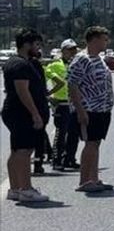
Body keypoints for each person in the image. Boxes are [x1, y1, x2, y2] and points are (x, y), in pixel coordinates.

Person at [3, 29, 50, 203]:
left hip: (17, 112)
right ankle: (26, 189)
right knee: (24, 151)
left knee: (17, 150)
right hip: (21, 113)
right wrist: (35, 114)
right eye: (36, 44)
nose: (38, 48)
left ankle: (15, 188)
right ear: (26, 45)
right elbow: (23, 91)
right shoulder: (20, 65)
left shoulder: (23, 62)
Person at [67, 26, 114, 194]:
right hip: (89, 109)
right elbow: (72, 85)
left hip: (102, 109)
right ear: (94, 40)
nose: (106, 42)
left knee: (95, 143)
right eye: (104, 39)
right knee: (90, 143)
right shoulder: (82, 59)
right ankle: (84, 181)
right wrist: (80, 111)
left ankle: (94, 179)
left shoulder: (99, 58)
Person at [46, 39, 81, 172]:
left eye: (74, 49)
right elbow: (42, 80)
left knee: (74, 133)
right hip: (62, 103)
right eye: (70, 49)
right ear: (63, 51)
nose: (72, 52)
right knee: (61, 132)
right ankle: (57, 160)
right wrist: (48, 95)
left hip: (75, 102)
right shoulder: (55, 65)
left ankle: (69, 159)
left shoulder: (78, 64)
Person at [28, 40, 54, 176]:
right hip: (39, 105)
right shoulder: (36, 66)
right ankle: (38, 163)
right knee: (39, 135)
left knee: (37, 136)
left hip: (37, 104)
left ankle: (38, 162)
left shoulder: (31, 66)